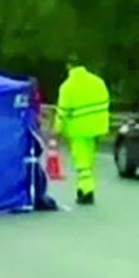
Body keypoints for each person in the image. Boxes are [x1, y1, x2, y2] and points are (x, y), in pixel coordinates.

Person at [54, 57, 110, 205]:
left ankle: (87, 190)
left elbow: (62, 111)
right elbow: (105, 102)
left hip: (78, 129)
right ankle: (81, 187)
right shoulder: (97, 82)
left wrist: (57, 129)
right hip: (97, 127)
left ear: (69, 67)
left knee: (81, 163)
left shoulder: (68, 86)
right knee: (88, 160)